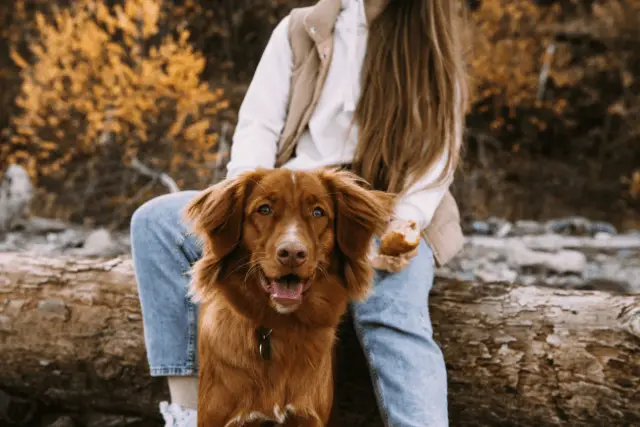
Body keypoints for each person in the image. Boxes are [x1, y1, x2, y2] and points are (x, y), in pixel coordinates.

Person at [130, 0, 468, 426]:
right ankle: (185, 415)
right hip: (291, 193)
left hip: (386, 210)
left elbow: (439, 155)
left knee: (393, 311)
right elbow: (258, 126)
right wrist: (245, 197)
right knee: (155, 222)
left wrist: (409, 219)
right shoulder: (302, 28)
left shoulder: (433, 43)